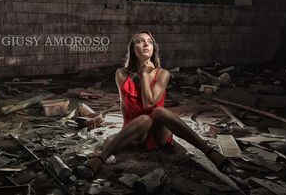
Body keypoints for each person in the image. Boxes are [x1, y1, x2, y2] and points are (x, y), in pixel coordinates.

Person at [87, 30, 228, 174]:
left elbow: (149, 104)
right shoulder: (121, 74)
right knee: (143, 119)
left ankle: (209, 152)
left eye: (149, 42)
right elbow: (137, 105)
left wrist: (145, 74)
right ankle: (100, 158)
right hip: (135, 132)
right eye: (140, 41)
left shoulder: (163, 74)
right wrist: (143, 73)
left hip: (158, 133)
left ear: (154, 49)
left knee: (158, 111)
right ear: (132, 49)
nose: (146, 44)